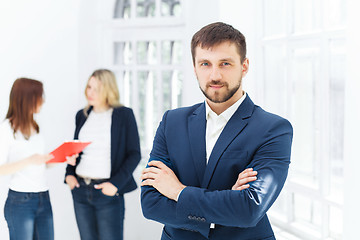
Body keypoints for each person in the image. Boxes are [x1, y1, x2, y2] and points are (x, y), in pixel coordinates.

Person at [140, 22, 293, 240]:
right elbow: (151, 204)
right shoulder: (171, 122)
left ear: (244, 66)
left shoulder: (274, 129)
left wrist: (177, 191)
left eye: (225, 64)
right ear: (194, 68)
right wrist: (227, 201)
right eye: (205, 64)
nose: (215, 75)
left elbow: (249, 210)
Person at [65, 69, 141, 240]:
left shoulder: (123, 115)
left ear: (108, 90)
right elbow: (74, 150)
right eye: (89, 87)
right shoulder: (82, 115)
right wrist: (69, 175)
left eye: (96, 89)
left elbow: (134, 154)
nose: (90, 93)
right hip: (81, 190)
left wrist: (115, 185)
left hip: (108, 192)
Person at [0, 78, 76, 240]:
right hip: (20, 201)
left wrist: (62, 157)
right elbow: (1, 168)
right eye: (40, 96)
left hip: (43, 197)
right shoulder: (6, 129)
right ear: (27, 99)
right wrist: (29, 160)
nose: (43, 100)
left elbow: (41, 162)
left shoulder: (35, 127)